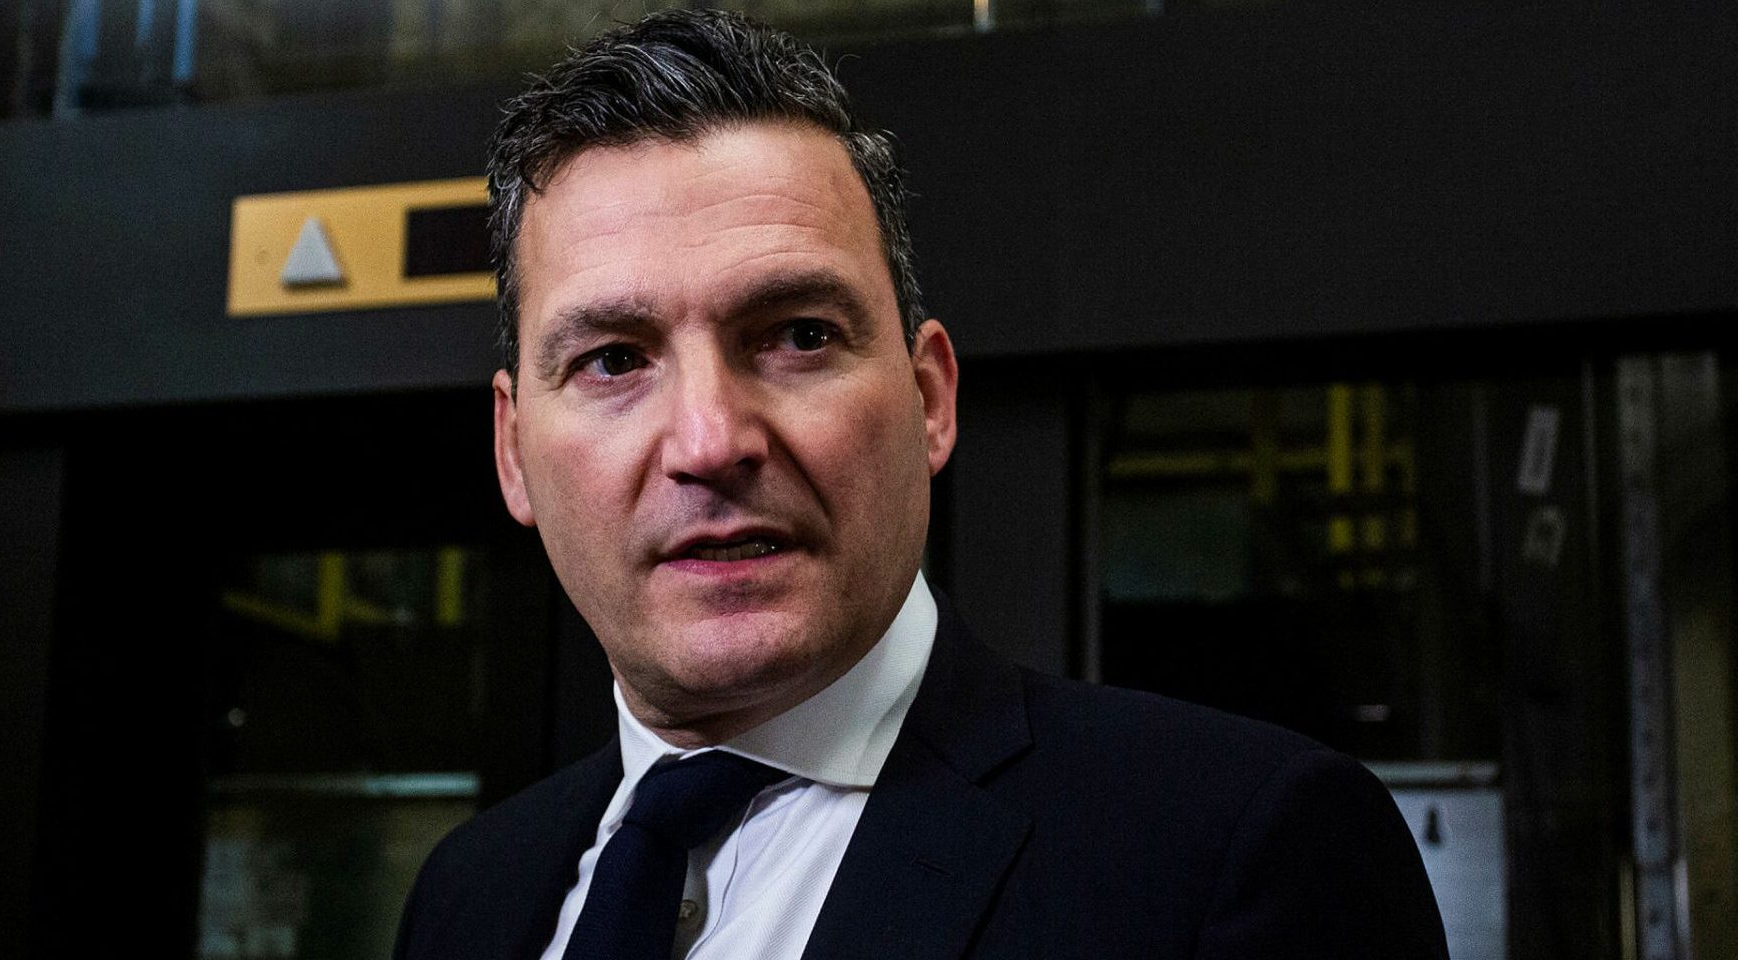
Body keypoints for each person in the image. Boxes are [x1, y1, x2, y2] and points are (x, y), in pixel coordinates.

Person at [396, 9, 1448, 959]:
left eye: (799, 337)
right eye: (615, 360)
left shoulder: (1232, 856)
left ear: (931, 398)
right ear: (513, 451)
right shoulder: (468, 897)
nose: (710, 442)